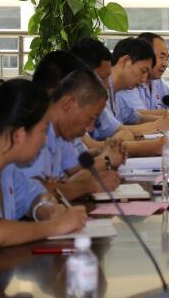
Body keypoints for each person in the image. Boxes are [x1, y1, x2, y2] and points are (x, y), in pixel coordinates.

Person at [0, 79, 87, 254]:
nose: (45, 140)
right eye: (43, 130)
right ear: (19, 135)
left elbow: (34, 196)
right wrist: (55, 226)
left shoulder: (5, 168)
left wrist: (46, 210)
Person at [28, 53, 124, 200]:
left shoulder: (62, 131)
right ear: (68, 103)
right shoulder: (33, 132)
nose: (90, 129)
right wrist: (90, 183)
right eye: (91, 118)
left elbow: (73, 172)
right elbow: (38, 194)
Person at [70, 37, 169, 156]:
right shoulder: (88, 99)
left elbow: (129, 126)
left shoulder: (112, 92)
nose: (144, 79)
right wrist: (152, 144)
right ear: (125, 61)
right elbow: (91, 148)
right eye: (143, 71)